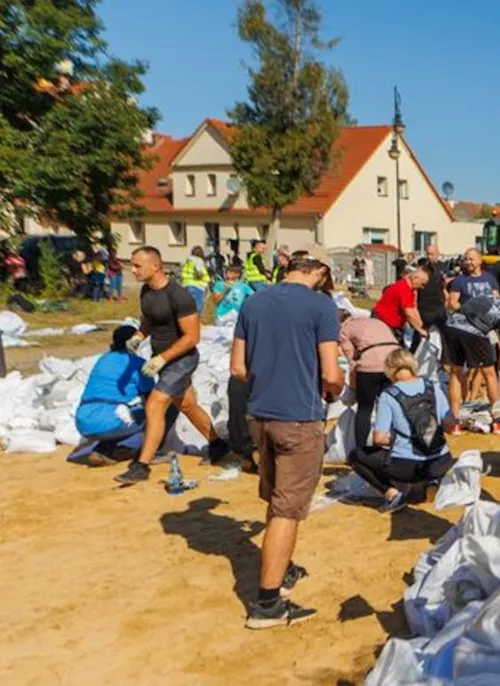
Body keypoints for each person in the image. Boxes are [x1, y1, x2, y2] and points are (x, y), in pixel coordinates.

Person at [230, 254, 343, 629]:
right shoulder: (321, 307)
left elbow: (238, 368)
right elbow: (330, 372)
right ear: (320, 272)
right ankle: (267, 605)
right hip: (299, 418)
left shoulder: (254, 300)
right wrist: (337, 387)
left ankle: (281, 566)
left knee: (277, 499)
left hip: (260, 415)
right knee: (287, 510)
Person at [113, 247, 229, 484]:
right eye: (132, 265)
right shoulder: (147, 291)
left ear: (155, 266)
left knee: (155, 404)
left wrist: (162, 359)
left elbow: (192, 337)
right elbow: (150, 319)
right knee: (187, 405)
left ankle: (142, 465)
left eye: (137, 265)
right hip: (163, 359)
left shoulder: (179, 296)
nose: (132, 270)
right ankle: (218, 445)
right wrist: (139, 336)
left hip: (182, 359)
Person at [348, 349, 453, 514]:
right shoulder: (433, 387)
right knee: (425, 454)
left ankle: (392, 494)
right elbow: (450, 425)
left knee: (356, 456)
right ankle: (432, 480)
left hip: (408, 466)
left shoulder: (389, 395)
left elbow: (379, 438)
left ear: (389, 369)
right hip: (441, 460)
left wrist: (394, 440)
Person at [70, 326, 175, 467]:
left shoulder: (103, 359)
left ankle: (103, 450)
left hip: (83, 420)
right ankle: (153, 452)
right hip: (110, 420)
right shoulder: (136, 363)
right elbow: (151, 395)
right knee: (162, 406)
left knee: (118, 410)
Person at [440, 295, 500, 434]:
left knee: (456, 372)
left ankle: (455, 422)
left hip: (451, 324)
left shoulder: (486, 297)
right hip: (474, 330)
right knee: (489, 374)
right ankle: (498, 421)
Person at [339, 310, 402, 449]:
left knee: (365, 409)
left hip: (369, 366)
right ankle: (394, 444)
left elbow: (352, 360)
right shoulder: (377, 322)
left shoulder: (344, 329)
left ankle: (360, 450)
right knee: (391, 406)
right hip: (394, 362)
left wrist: (353, 388)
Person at [371, 264, 429, 342]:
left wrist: (421, 325)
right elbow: (409, 313)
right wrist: (419, 330)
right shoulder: (404, 289)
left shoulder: (411, 289)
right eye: (423, 284)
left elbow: (414, 308)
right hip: (383, 323)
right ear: (415, 278)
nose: (423, 287)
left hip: (392, 325)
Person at [413, 251, 449, 351]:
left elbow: (444, 291)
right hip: (431, 310)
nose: (429, 256)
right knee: (442, 337)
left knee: (420, 337)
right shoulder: (437, 275)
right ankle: (443, 358)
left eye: (431, 254)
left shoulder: (426, 276)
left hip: (431, 310)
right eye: (428, 254)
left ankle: (414, 355)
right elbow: (445, 292)